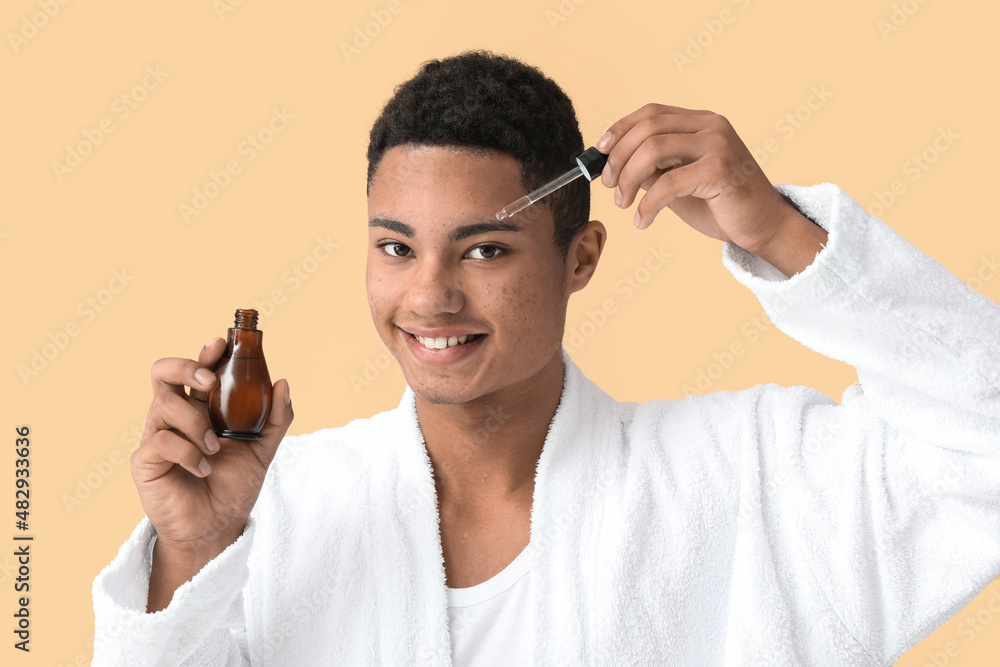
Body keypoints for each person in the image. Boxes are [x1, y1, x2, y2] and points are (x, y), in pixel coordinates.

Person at [92, 50, 1000, 666]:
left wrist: (779, 232)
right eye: (397, 248)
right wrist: (194, 552)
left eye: (486, 249)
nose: (430, 297)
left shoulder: (749, 480)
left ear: (582, 258)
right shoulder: (285, 509)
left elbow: (983, 445)